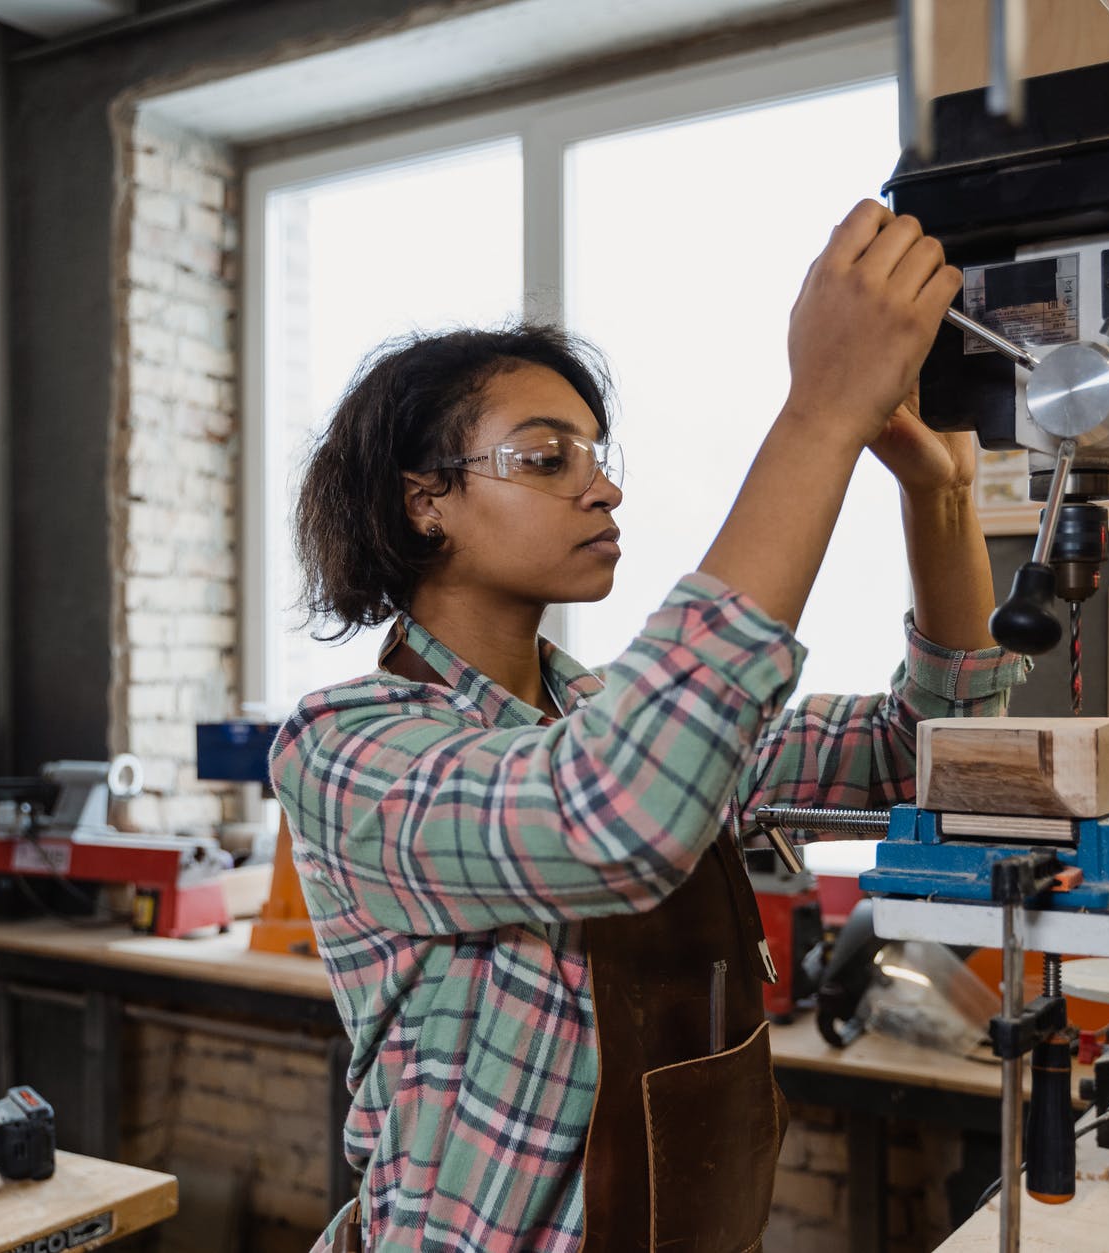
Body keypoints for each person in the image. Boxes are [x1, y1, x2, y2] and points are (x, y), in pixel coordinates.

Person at [271, 200, 1028, 1253]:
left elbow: (931, 763)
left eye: (595, 453)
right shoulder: (346, 744)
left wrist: (939, 505)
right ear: (423, 502)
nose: (603, 486)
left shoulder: (601, 716)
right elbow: (610, 815)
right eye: (546, 459)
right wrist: (816, 417)